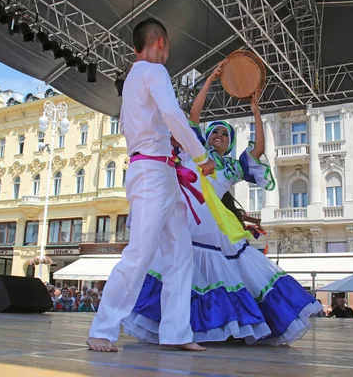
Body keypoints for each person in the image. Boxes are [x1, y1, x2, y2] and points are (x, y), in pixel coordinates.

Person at [121, 62, 321, 346]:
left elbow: (259, 150)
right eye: (215, 131)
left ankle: (217, 328)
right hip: (186, 222)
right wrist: (211, 79)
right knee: (178, 273)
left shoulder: (230, 168)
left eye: (224, 134)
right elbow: (194, 115)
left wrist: (256, 113)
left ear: (230, 142)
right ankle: (177, 329)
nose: (218, 136)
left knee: (217, 276)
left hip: (214, 229)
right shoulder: (196, 151)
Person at [87, 17, 215, 353]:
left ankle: (176, 332)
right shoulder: (154, 72)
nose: (167, 53)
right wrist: (201, 156)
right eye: (168, 47)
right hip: (153, 171)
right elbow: (173, 115)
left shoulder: (132, 79)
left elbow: (159, 123)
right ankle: (102, 328)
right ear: (160, 42)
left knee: (180, 252)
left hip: (157, 169)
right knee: (141, 252)